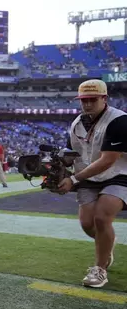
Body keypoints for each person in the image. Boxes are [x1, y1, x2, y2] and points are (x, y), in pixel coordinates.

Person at [58, 79, 127, 288]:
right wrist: (59, 169)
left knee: (102, 215)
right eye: (83, 100)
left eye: (92, 99)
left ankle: (100, 269)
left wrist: (73, 179)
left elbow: (108, 159)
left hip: (119, 173)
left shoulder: (119, 121)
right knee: (87, 224)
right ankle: (107, 246)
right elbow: (71, 153)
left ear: (104, 98)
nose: (87, 104)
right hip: (89, 176)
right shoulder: (77, 123)